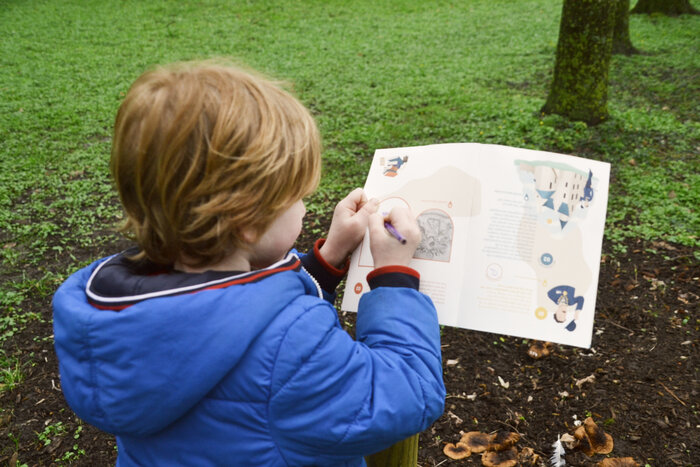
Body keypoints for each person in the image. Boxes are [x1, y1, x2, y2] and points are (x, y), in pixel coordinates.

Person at [52, 60, 445, 466]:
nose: (305, 206)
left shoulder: (115, 311)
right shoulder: (290, 346)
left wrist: (326, 260)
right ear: (246, 224)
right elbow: (407, 393)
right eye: (296, 196)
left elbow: (243, 305)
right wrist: (395, 278)